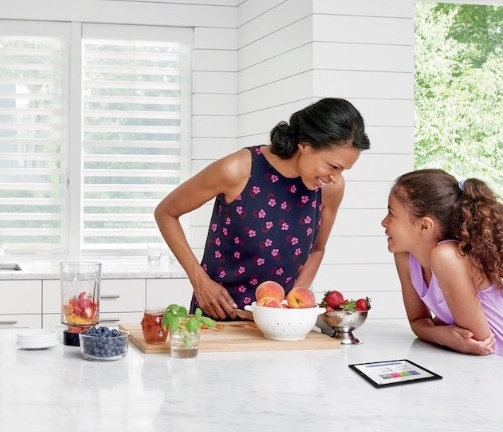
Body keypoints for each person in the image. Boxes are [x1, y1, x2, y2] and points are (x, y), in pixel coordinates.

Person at [155, 98, 370, 320]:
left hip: (280, 322)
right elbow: (166, 213)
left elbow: (317, 249)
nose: (335, 177)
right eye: (332, 166)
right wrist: (200, 281)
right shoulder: (238, 169)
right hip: (218, 317)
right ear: (305, 144)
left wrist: (293, 302)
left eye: (343, 170)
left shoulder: (330, 188)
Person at [382, 168, 503, 367]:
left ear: (424, 226)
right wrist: (444, 335)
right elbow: (418, 322)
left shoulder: (447, 257)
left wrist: (441, 332)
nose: (384, 222)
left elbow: (479, 344)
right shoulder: (405, 256)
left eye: (391, 213)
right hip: (483, 373)